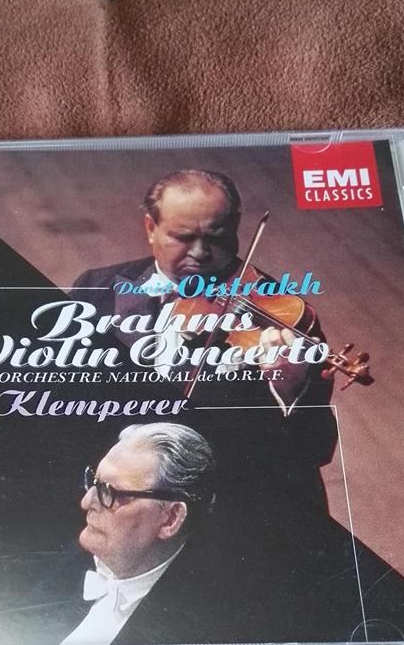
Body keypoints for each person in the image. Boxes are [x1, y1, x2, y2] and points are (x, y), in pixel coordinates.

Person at [72, 169, 338, 508]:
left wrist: (290, 389)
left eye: (217, 237)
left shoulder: (283, 312)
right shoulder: (96, 288)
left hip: (228, 502)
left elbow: (315, 448)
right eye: (183, 237)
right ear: (151, 228)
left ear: (235, 226)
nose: (200, 253)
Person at [0, 423, 218, 645]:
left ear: (170, 518)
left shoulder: (207, 623)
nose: (87, 502)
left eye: (112, 493)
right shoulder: (56, 563)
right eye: (94, 483)